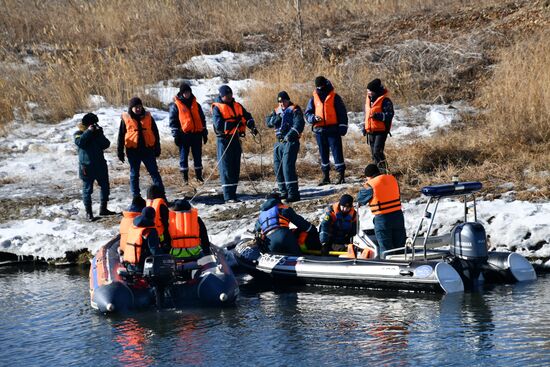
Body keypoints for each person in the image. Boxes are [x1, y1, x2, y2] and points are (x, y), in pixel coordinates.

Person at [211, 85, 258, 203]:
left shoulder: (238, 105)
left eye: (230, 95)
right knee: (226, 168)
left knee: (235, 166)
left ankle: (233, 193)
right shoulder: (217, 107)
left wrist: (251, 125)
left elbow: (247, 116)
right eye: (226, 96)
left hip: (235, 139)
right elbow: (219, 125)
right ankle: (228, 196)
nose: (228, 97)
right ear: (221, 96)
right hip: (224, 140)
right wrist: (233, 123)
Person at [117, 97, 165, 198]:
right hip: (133, 151)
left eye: (139, 106)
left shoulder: (148, 117)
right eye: (135, 107)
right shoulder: (126, 119)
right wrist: (120, 151)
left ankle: (161, 196)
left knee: (154, 173)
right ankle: (136, 197)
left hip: (148, 150)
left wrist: (157, 147)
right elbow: (121, 136)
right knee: (134, 175)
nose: (138, 109)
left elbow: (155, 133)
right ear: (131, 108)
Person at [304, 76, 348, 185]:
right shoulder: (313, 98)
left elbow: (342, 113)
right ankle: (325, 177)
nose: (320, 88)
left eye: (321, 86)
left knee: (337, 153)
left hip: (333, 129)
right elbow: (308, 113)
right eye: (318, 86)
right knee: (323, 154)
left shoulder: (334, 97)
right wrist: (313, 118)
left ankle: (340, 175)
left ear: (325, 84)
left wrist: (343, 127)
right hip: (319, 130)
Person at [357, 164, 406, 259]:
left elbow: (360, 198)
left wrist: (367, 183)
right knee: (400, 246)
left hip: (383, 218)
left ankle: (388, 268)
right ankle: (404, 266)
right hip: (398, 216)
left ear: (369, 176)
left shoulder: (371, 184)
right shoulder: (392, 179)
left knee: (386, 247)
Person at [74, 112, 116, 222]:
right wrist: (88, 132)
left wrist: (99, 134)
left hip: (100, 165)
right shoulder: (79, 133)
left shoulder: (97, 133)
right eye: (93, 124)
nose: (95, 125)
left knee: (105, 187)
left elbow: (106, 144)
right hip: (87, 167)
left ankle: (103, 209)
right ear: (87, 124)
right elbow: (80, 143)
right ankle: (89, 213)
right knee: (87, 190)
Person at [265, 91, 304, 202]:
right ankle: (284, 192)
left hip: (290, 142)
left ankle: (293, 193)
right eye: (280, 102)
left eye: (283, 101)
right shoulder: (276, 111)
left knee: (287, 166)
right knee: (278, 167)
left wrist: (290, 135)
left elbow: (299, 124)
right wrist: (274, 120)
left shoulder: (295, 110)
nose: (282, 104)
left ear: (288, 100)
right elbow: (267, 122)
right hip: (279, 142)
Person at [169, 82, 208, 184]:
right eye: (185, 92)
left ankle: (199, 177)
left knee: (197, 156)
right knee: (183, 157)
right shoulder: (175, 106)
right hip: (184, 135)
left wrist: (204, 132)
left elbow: (202, 119)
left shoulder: (196, 105)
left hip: (196, 135)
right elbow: (173, 122)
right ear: (181, 93)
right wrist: (176, 135)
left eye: (188, 92)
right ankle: (184, 179)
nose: (187, 94)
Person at [362, 78, 394, 170]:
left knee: (377, 152)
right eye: (367, 91)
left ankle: (384, 171)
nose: (368, 93)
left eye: (370, 91)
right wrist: (365, 127)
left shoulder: (385, 101)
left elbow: (390, 115)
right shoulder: (368, 100)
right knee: (373, 154)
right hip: (371, 131)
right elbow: (367, 115)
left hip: (381, 131)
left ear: (375, 91)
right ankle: (377, 172)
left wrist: (379, 116)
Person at [123, 207, 164, 272]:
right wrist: (165, 258)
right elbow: (154, 250)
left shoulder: (133, 226)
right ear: (153, 217)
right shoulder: (150, 230)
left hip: (129, 264)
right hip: (142, 266)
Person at [146, 184, 170, 251]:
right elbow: (166, 221)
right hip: (160, 234)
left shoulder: (147, 204)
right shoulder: (161, 205)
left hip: (148, 234)